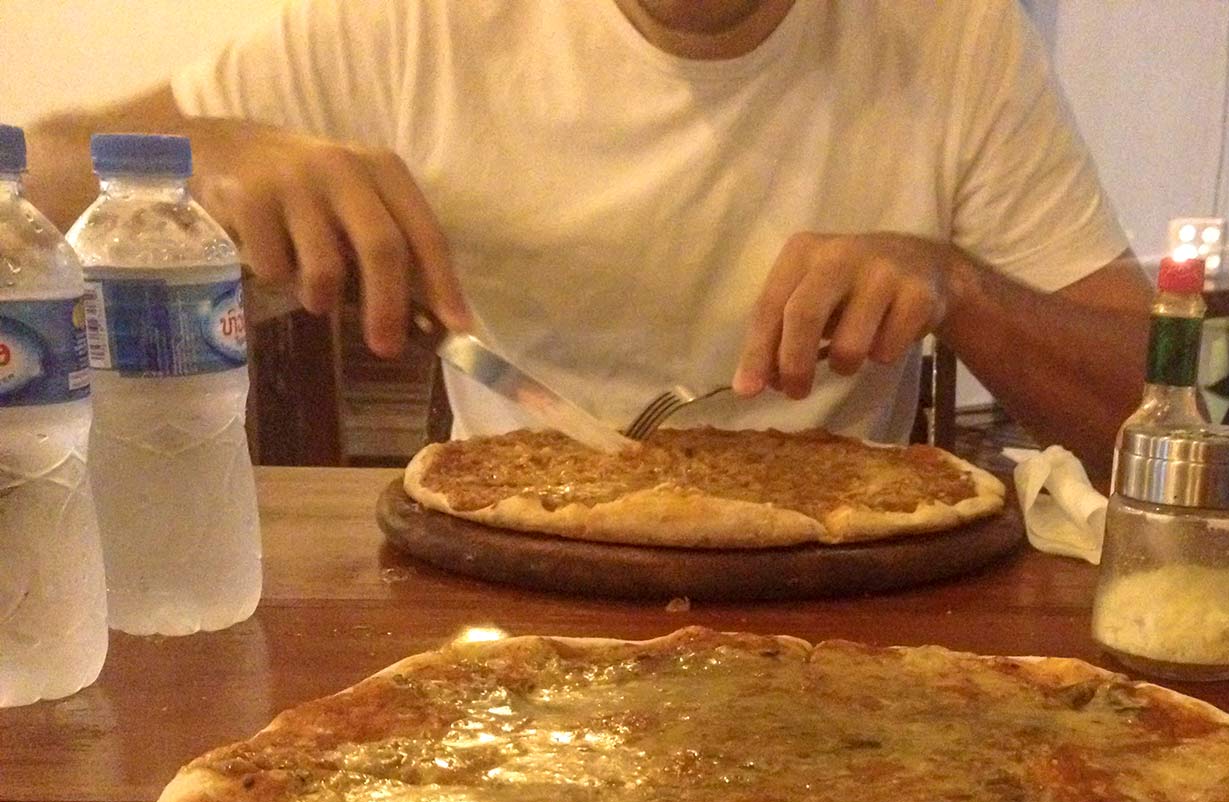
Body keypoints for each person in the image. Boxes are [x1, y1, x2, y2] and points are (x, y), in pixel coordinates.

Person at [27, 0, 1151, 466]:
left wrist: (961, 286)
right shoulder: (411, 22)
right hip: (494, 592)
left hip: (843, 610)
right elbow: (35, 166)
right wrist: (211, 156)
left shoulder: (955, 31)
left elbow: (1152, 419)